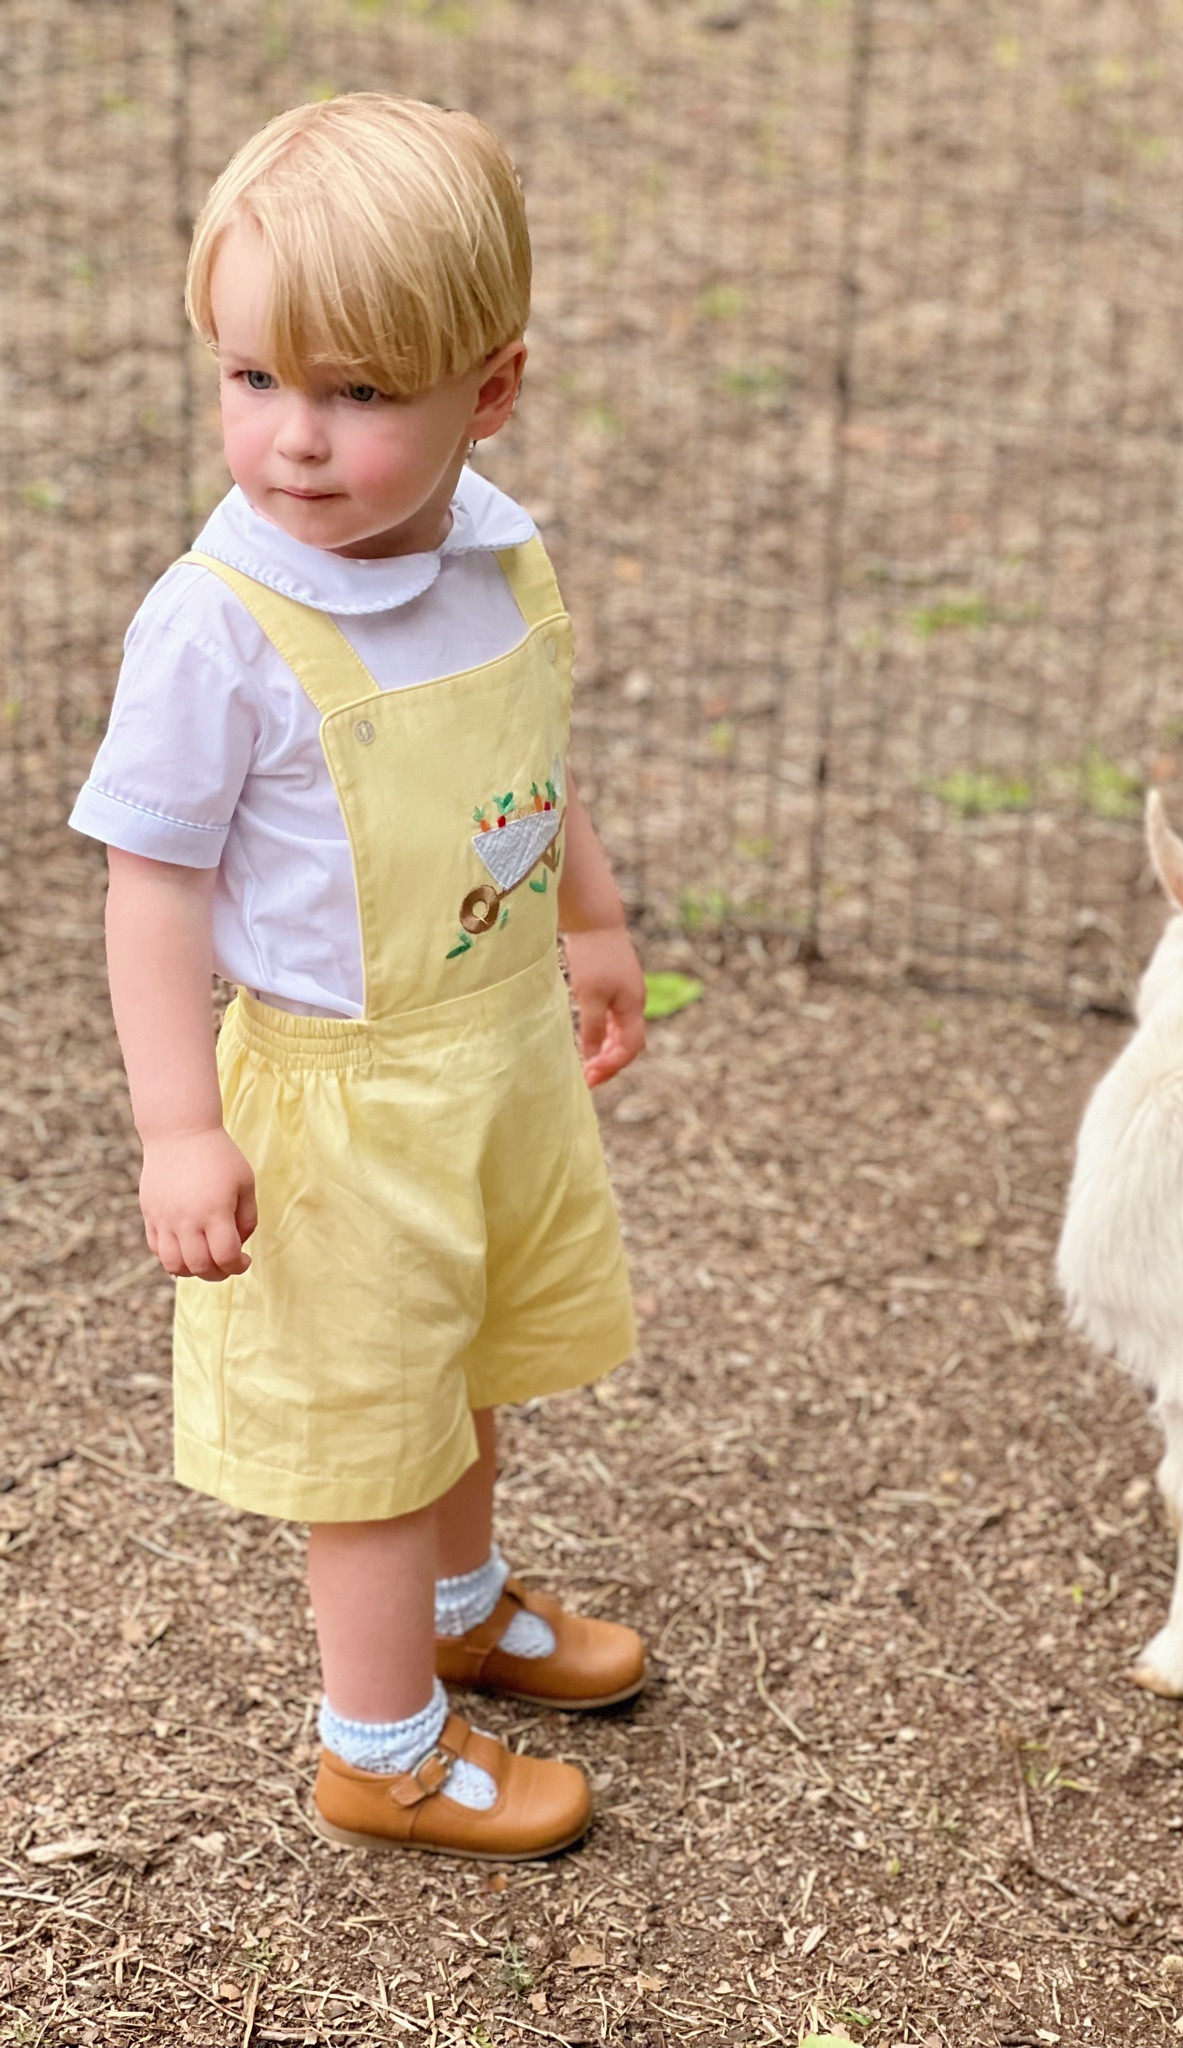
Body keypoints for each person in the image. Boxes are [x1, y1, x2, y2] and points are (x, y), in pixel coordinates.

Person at [70, 93, 649, 1861]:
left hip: (489, 1063)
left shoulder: (495, 549)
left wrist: (593, 921)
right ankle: (379, 1744)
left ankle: (465, 1607)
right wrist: (181, 1127)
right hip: (336, 1096)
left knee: (464, 1359)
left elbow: (530, 770)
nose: (293, 443)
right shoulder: (219, 623)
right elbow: (151, 887)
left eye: (357, 394)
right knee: (373, 1439)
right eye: (253, 381)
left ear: (489, 391)